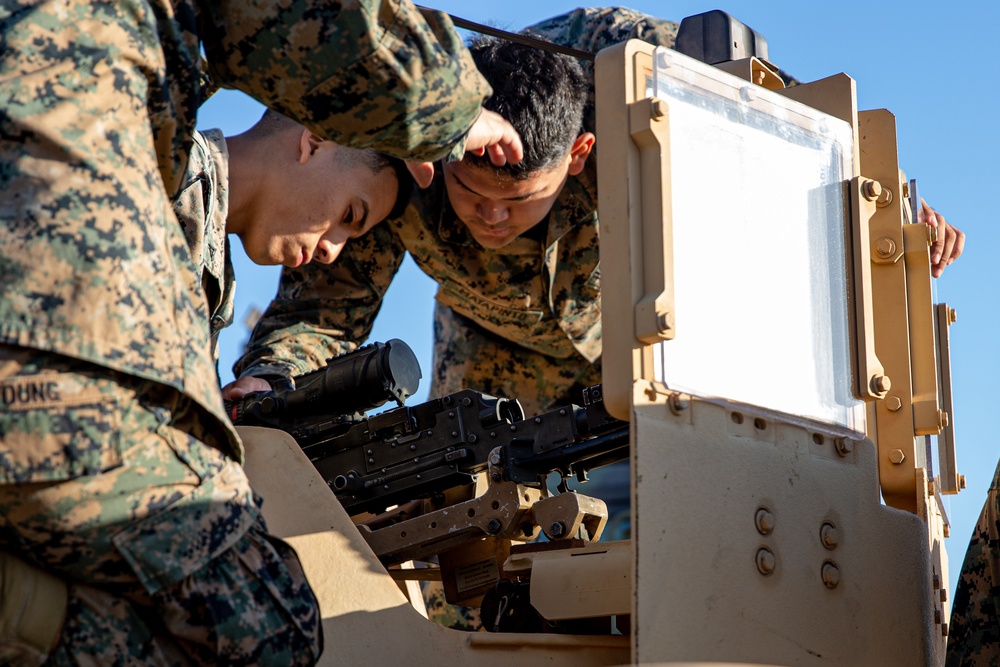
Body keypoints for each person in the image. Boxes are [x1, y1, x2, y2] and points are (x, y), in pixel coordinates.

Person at [0, 0, 523, 663]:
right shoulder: (161, 164)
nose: (333, 250)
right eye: (349, 215)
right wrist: (449, 113)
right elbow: (326, 20)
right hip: (60, 394)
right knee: (278, 629)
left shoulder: (187, 221)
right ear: (315, 138)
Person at [174, 109, 411, 364]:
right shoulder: (159, 171)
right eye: (349, 216)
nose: (330, 254)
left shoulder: (212, 268)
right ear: (313, 144)